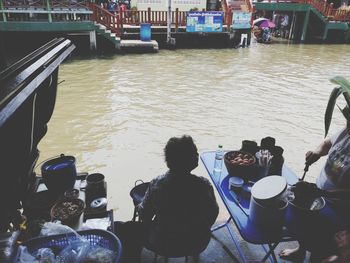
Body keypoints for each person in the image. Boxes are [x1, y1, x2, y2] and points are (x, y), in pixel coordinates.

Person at [114, 135, 219, 263]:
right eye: (195, 152)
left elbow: (145, 215)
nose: (197, 155)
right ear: (192, 160)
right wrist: (198, 227)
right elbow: (213, 213)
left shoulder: (157, 184)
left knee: (122, 228)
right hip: (198, 242)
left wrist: (139, 206)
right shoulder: (204, 185)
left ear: (169, 160)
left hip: (162, 244)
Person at [280, 107, 350, 262]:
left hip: (341, 209)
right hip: (320, 194)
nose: (348, 125)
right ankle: (300, 251)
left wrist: (323, 193)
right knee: (301, 220)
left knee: (321, 245)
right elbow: (327, 142)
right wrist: (316, 152)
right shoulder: (345, 132)